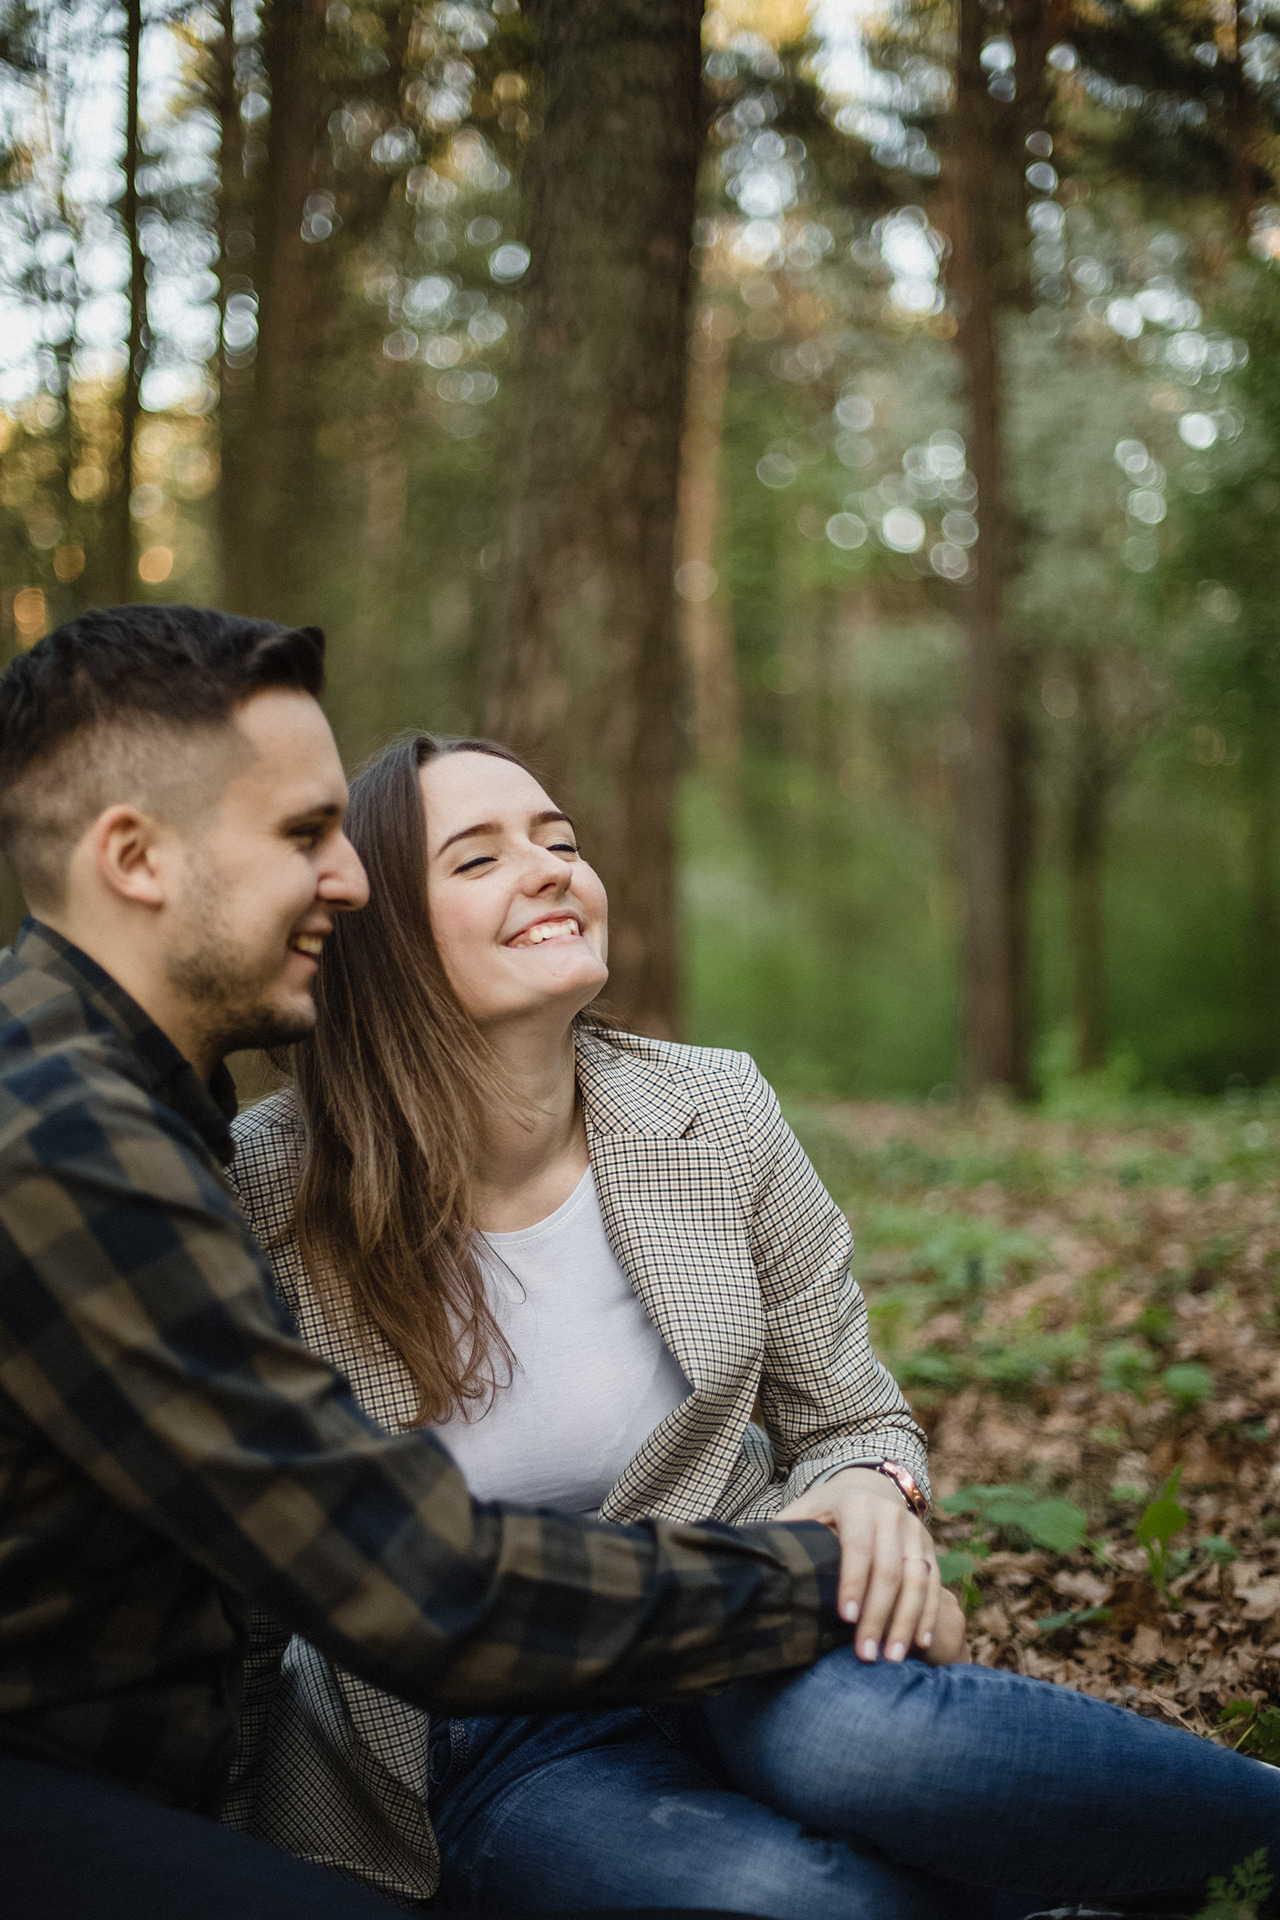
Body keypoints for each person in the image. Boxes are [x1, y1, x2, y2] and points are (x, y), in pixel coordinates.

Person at [230, 730, 1280, 1920]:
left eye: (559, 840)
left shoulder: (713, 1109)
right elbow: (245, 1565)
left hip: (738, 1605)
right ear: (377, 939)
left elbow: (851, 1416)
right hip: (481, 1727)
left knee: (878, 1756)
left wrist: (874, 1489)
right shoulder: (270, 1191)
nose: (547, 868)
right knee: (799, 1901)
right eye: (476, 859)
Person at [0, 605, 867, 1920]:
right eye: (305, 837)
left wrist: (855, 1502)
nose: (347, 881)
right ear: (136, 859)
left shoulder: (141, 1105)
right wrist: (816, 1572)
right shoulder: (68, 1145)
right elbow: (419, 1582)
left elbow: (850, 1404)